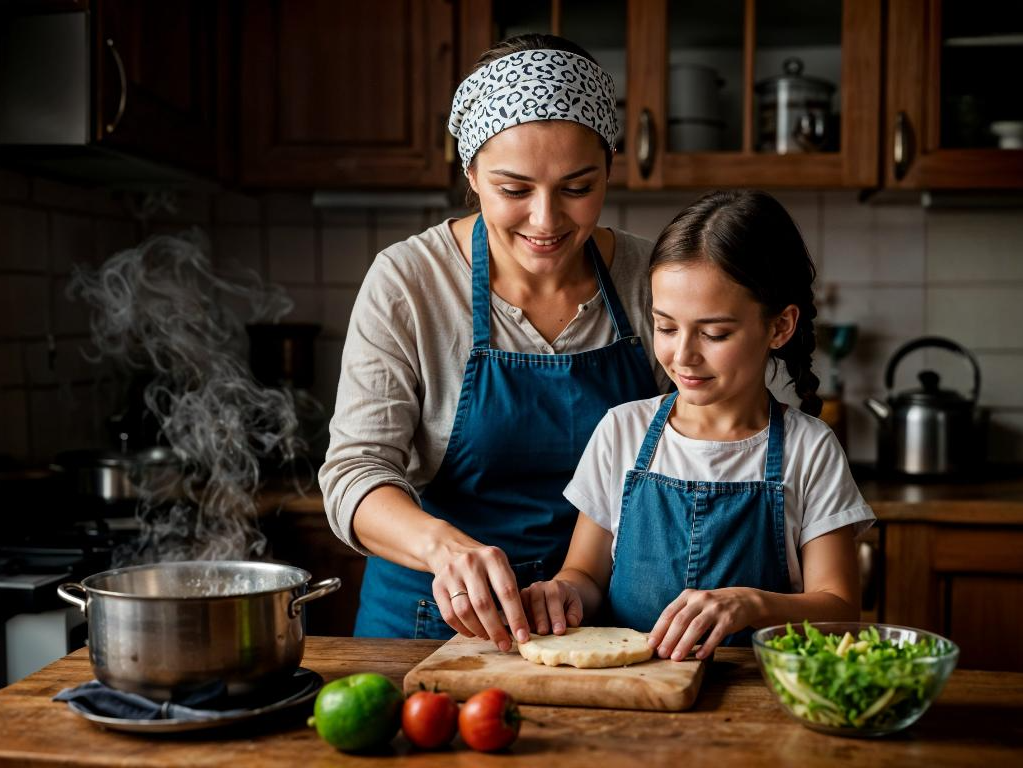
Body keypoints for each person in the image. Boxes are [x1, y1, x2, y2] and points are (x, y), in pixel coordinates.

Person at [319, 35, 671, 650]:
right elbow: (353, 472)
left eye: (577, 187)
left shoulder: (654, 278)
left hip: (605, 625)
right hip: (428, 624)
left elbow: (715, 433)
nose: (546, 219)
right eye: (514, 190)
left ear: (611, 169)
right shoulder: (411, 281)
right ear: (472, 173)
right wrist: (444, 547)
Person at [521, 190, 875, 661]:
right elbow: (584, 577)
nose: (683, 355)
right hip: (635, 695)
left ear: (779, 326)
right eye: (666, 327)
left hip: (756, 698)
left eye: (714, 334)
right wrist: (562, 594)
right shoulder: (621, 432)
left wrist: (751, 603)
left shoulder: (810, 450)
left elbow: (839, 614)